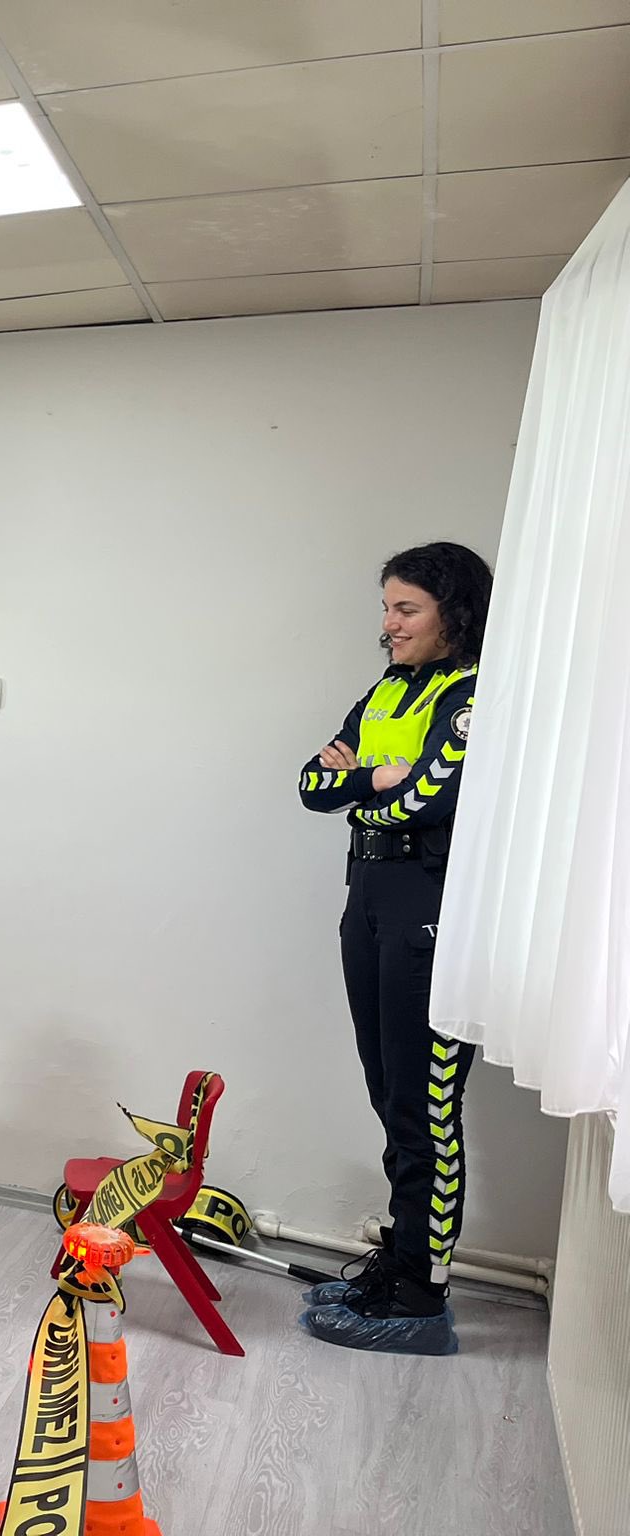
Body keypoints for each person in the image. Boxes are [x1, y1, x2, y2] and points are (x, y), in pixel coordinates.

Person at [296, 541, 493, 1356]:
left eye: (406, 608)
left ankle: (423, 1294)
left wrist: (369, 792)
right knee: (388, 1093)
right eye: (386, 607)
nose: (390, 624)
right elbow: (311, 784)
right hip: (370, 902)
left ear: (454, 612)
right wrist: (376, 779)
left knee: (425, 1105)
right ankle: (402, 1260)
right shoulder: (386, 690)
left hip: (431, 905)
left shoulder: (476, 692)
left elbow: (428, 798)